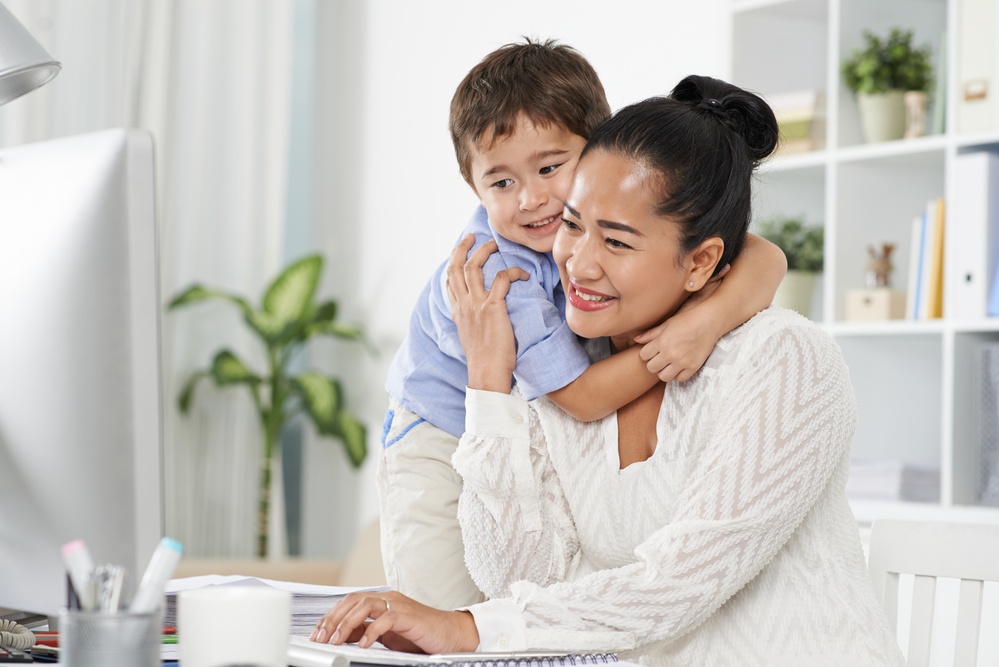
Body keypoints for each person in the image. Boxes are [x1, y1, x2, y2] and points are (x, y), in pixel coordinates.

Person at [314, 75, 906, 666]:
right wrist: (489, 384)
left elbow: (680, 581)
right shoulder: (559, 365)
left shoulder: (783, 359)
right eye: (572, 226)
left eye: (617, 243)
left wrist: (468, 629)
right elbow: (519, 579)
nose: (578, 264)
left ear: (702, 262)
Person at [380, 40, 787, 611]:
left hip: (524, 435)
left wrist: (709, 317)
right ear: (474, 188)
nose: (533, 198)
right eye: (501, 183)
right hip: (438, 443)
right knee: (439, 614)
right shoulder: (499, 271)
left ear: (595, 153)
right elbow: (582, 398)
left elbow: (763, 256)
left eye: (551, 167)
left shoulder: (594, 221)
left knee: (520, 611)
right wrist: (670, 344)